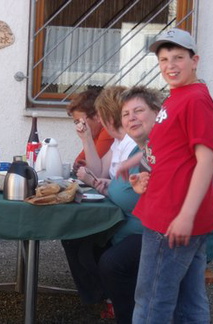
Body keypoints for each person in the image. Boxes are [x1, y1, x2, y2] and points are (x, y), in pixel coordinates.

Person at [131, 28, 213, 323]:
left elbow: (206, 158)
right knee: (189, 303)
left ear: (195, 60)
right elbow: (171, 153)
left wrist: (185, 215)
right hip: (169, 209)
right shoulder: (176, 96)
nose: (171, 65)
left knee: (152, 301)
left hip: (173, 218)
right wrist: (145, 176)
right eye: (164, 58)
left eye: (179, 57)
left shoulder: (195, 99)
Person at [61, 86, 140, 322]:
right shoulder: (119, 143)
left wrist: (100, 184)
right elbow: (98, 171)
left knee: (88, 245)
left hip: (133, 221)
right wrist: (86, 139)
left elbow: (126, 195)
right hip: (119, 213)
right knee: (76, 238)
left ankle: (113, 301)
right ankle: (105, 298)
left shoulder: (132, 143)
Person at [92, 85, 162, 323]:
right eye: (126, 114)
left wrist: (112, 186)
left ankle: (127, 315)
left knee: (112, 262)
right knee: (93, 242)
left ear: (156, 113)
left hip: (170, 230)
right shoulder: (143, 147)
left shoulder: (157, 144)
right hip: (151, 227)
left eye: (138, 111)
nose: (131, 118)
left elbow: (128, 197)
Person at [75, 86, 137, 186]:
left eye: (100, 116)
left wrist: (92, 181)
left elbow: (126, 189)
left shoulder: (131, 143)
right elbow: (99, 173)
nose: (99, 120)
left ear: (109, 118)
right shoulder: (118, 141)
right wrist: (86, 138)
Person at [66, 88, 114, 173]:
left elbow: (93, 167)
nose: (79, 125)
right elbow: (78, 161)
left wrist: (83, 164)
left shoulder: (108, 131)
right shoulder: (94, 133)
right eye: (76, 122)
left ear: (96, 116)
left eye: (80, 121)